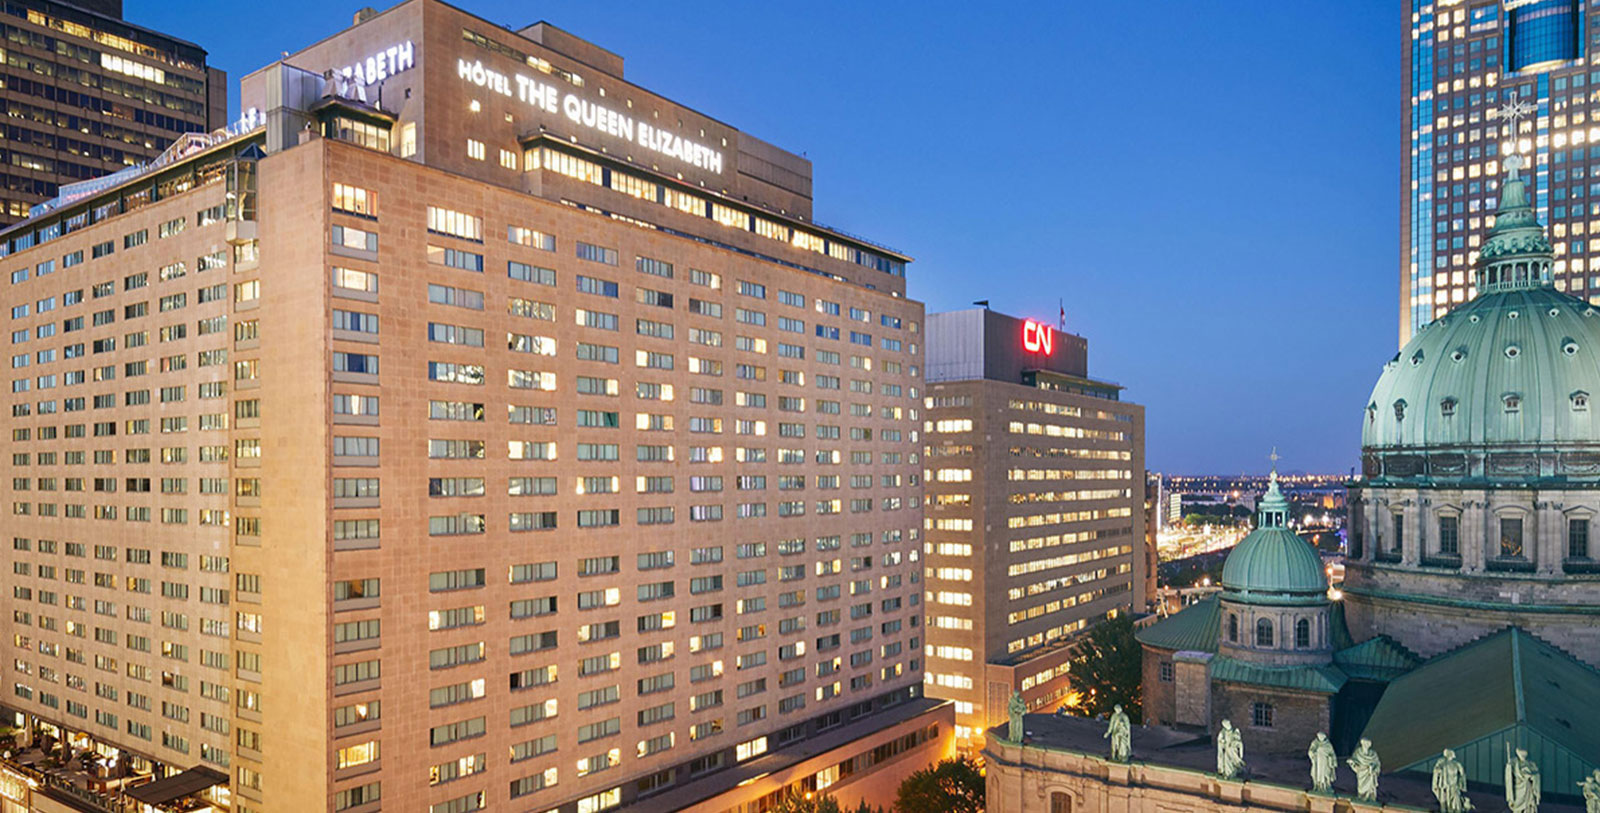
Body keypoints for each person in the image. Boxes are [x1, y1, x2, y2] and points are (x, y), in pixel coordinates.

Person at [1504, 746, 1540, 813]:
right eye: (1521, 754)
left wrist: (1532, 777)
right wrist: (1508, 767)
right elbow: (1509, 778)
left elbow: (1536, 774)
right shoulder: (1514, 762)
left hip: (1528, 789)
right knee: (1518, 808)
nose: (1523, 756)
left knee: (1529, 807)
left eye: (1524, 755)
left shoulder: (1531, 764)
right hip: (1518, 790)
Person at [1347, 738, 1381, 802]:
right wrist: (1352, 763)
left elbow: (1377, 764)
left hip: (1370, 774)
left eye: (1367, 744)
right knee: (1361, 789)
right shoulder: (1358, 752)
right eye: (1365, 743)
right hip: (1361, 773)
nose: (1366, 745)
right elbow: (1354, 762)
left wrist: (1373, 768)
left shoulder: (1373, 754)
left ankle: (1369, 797)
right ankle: (1362, 797)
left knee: (1370, 788)